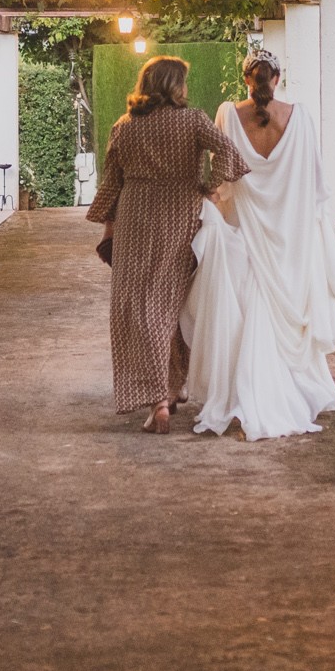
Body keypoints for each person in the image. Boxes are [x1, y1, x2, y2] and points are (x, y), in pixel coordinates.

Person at [181, 46, 335, 441]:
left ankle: (242, 391)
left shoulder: (228, 114)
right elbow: (314, 185)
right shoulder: (299, 118)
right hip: (288, 237)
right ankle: (289, 389)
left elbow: (222, 176)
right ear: (277, 78)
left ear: (246, 79)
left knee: (244, 313)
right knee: (273, 313)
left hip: (243, 233)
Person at [85, 55, 250, 434]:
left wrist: (106, 228)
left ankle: (160, 397)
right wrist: (212, 187)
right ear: (173, 86)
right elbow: (228, 152)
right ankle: (171, 390)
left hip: (135, 217)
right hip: (180, 214)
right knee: (170, 305)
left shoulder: (124, 127)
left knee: (136, 308)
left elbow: (113, 181)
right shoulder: (192, 120)